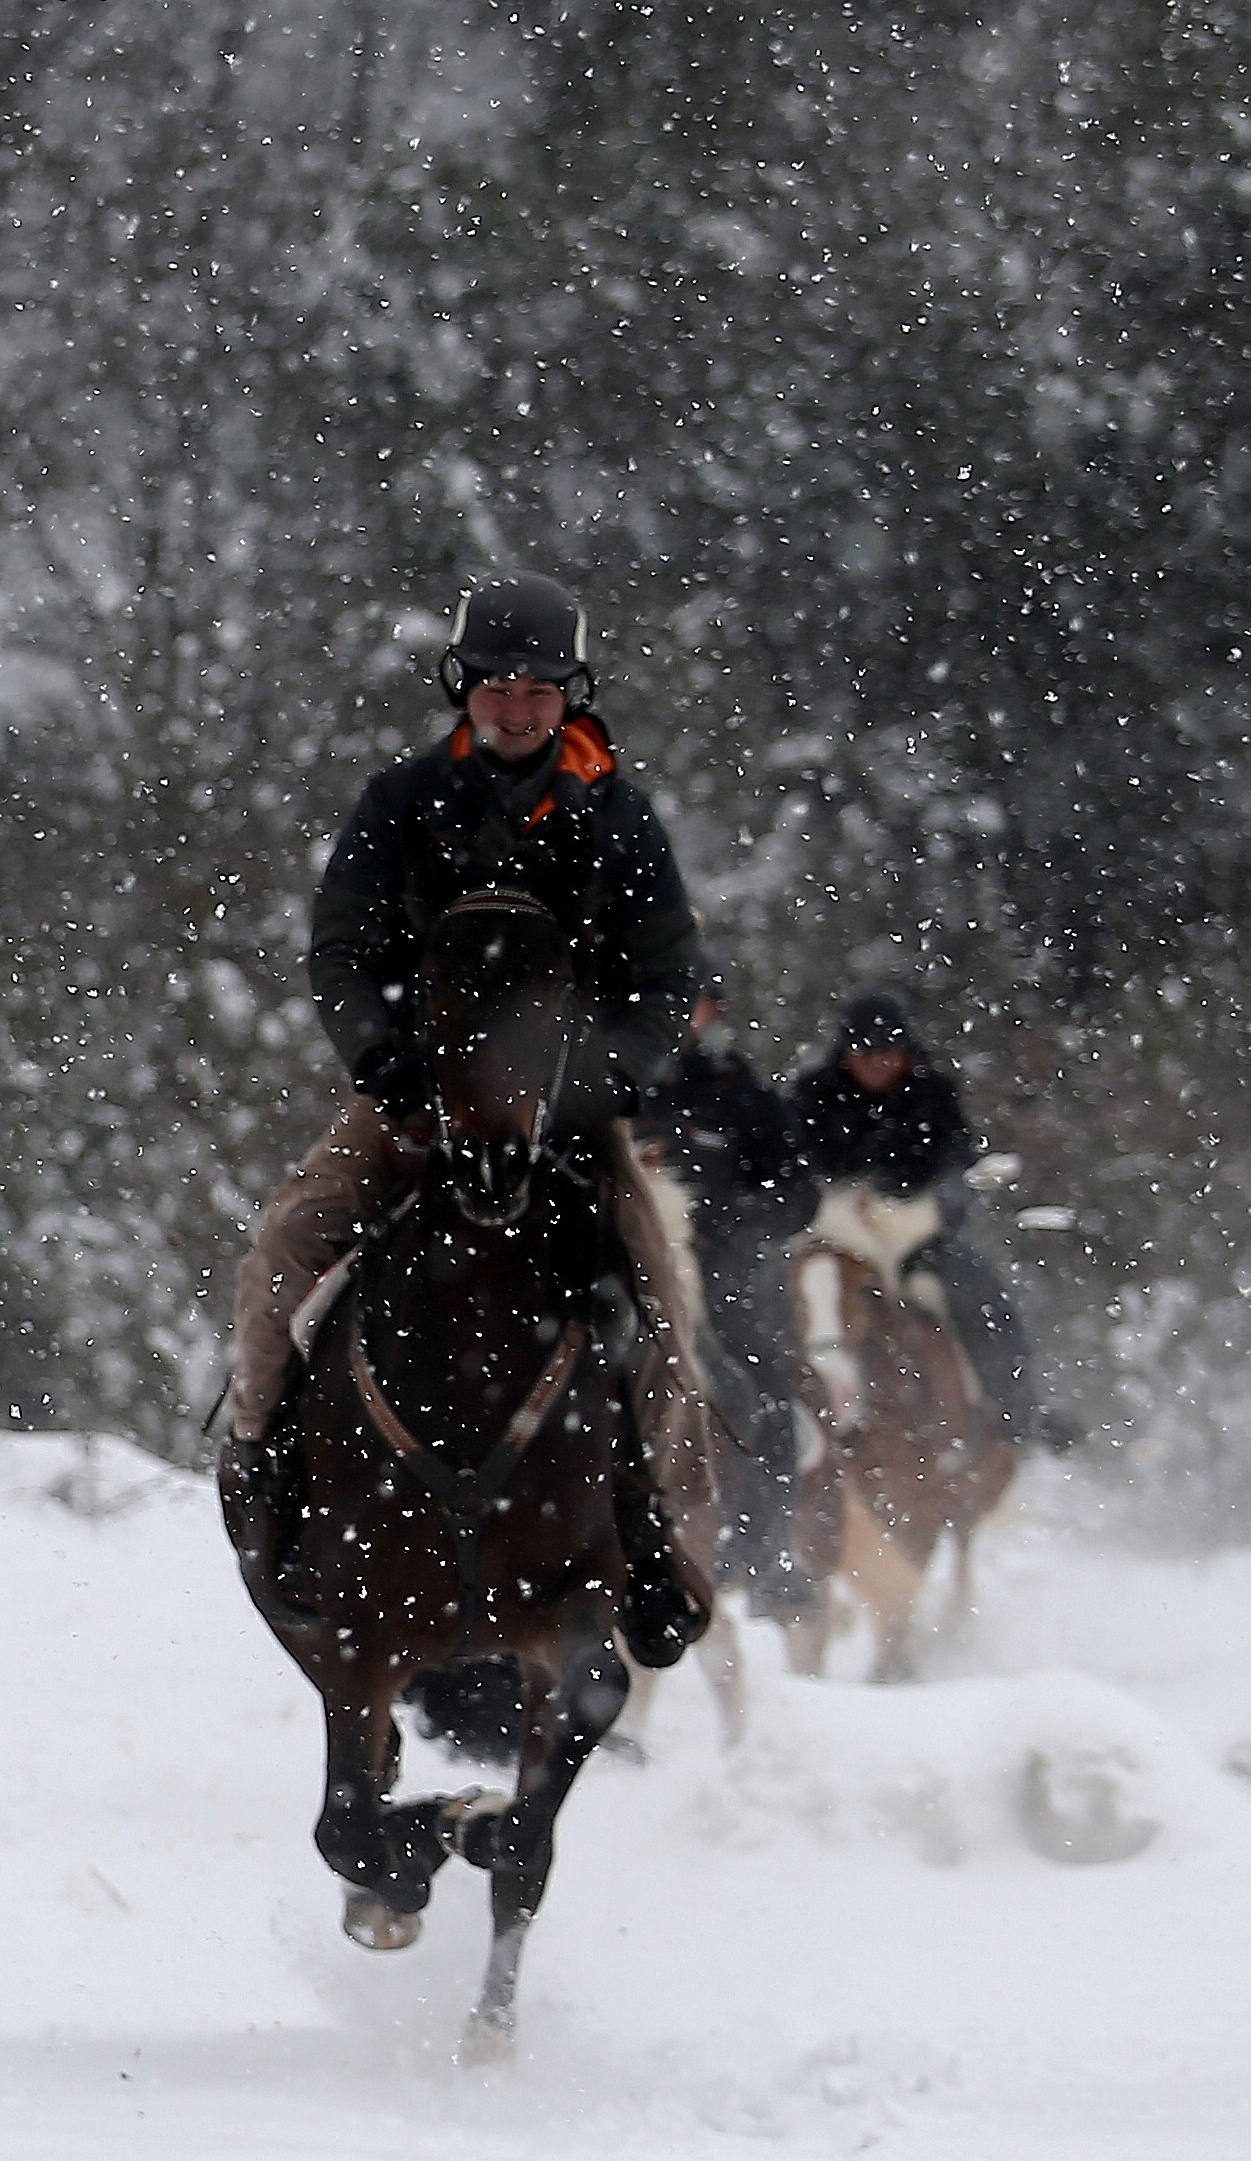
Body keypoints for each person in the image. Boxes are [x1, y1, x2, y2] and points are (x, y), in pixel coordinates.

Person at [215, 576, 716, 1667]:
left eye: (538, 688)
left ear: (570, 694)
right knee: (287, 1244)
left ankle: (662, 1534)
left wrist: (614, 1069)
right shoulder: (398, 800)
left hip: (567, 1108)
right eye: (497, 684)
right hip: (413, 1094)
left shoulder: (619, 815)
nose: (518, 705)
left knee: (661, 1294)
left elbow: (667, 975)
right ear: (464, 688)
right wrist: (379, 1055)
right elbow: (341, 950)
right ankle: (257, 1454)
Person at [787, 988, 1075, 1451]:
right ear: (845, 1054)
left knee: (981, 1296)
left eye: (889, 1053)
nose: (879, 1064)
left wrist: (927, 1204)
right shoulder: (811, 1097)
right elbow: (791, 1171)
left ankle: (1013, 1410)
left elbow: (956, 1169)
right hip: (828, 1236)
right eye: (866, 1053)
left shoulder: (932, 1095)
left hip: (910, 1241)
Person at [650, 983, 814, 1614]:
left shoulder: (741, 1094)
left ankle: (767, 1553)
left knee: (764, 1389)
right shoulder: (596, 1079)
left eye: (688, 1003)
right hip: (615, 1268)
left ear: (711, 1011)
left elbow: (798, 1197)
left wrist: (735, 1219)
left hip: (717, 1273)